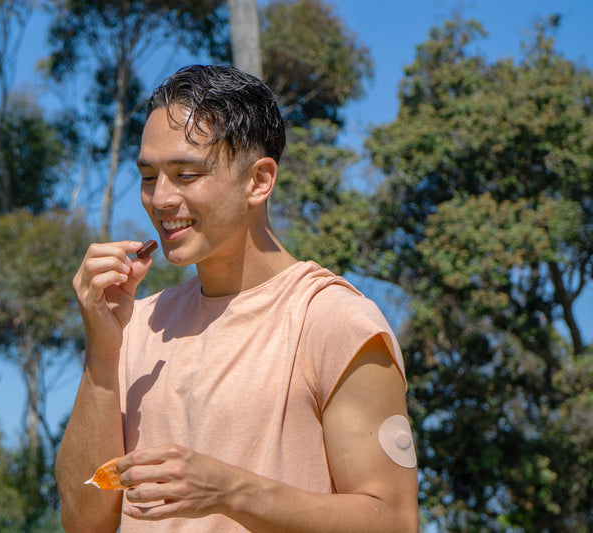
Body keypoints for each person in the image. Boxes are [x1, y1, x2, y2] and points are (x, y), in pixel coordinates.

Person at [55, 64, 419, 532]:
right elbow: (84, 523)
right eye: (148, 176)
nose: (160, 199)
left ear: (259, 181)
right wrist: (103, 350)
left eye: (186, 174)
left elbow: (394, 521)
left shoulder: (332, 320)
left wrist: (232, 491)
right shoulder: (136, 325)